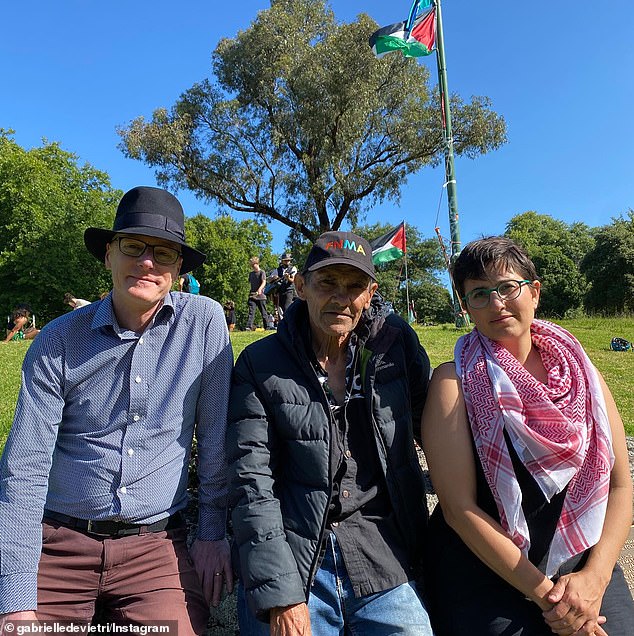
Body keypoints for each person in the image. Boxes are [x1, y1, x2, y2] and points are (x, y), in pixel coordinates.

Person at [0, 186, 234, 632]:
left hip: (156, 548)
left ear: (178, 269)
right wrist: (15, 597)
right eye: (132, 246)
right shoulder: (59, 341)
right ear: (108, 255)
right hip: (59, 543)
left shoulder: (204, 325)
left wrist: (210, 534)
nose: (147, 261)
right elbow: (25, 467)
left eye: (164, 253)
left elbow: (216, 439)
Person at [421, 237, 634, 636]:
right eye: (479, 294)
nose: (496, 303)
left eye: (507, 287)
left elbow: (622, 485)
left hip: (579, 563)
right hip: (487, 572)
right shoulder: (453, 382)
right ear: (467, 308)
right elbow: (459, 509)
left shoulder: (583, 372)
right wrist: (552, 601)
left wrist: (597, 576)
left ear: (533, 292)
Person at [227, 231, 434, 635]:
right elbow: (251, 480)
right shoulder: (260, 363)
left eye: (355, 286)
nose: (342, 298)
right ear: (301, 287)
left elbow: (436, 432)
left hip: (380, 550)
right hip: (295, 553)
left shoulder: (395, 347)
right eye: (327, 283)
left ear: (371, 293)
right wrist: (282, 594)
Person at [246, 256, 270, 331]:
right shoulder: (251, 274)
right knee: (251, 312)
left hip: (261, 296)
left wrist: (260, 289)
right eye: (251, 266)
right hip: (252, 295)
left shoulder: (262, 272)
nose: (253, 267)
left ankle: (267, 327)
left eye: (253, 265)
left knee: (264, 312)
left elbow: (264, 282)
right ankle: (248, 327)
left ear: (257, 264)